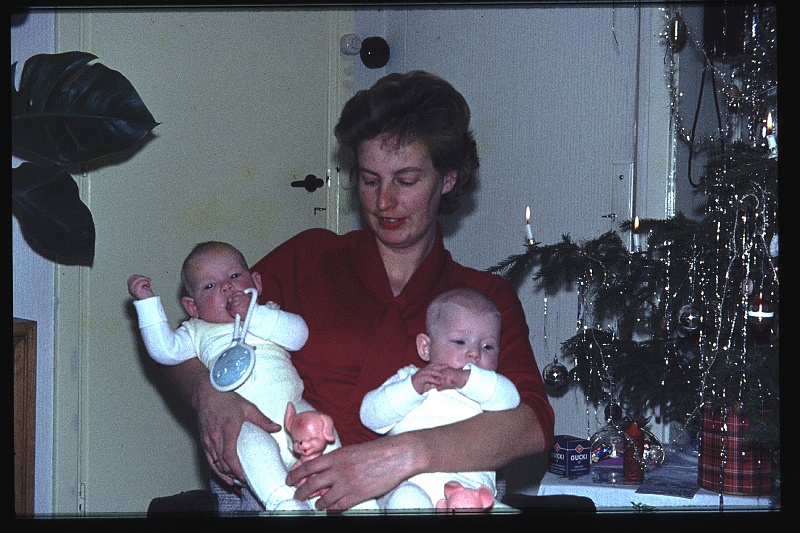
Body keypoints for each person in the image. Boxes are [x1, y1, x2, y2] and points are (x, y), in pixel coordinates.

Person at [160, 70, 555, 512]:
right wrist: (207, 395)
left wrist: (402, 456)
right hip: (292, 493)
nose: (384, 202)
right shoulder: (309, 256)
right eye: (369, 180)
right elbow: (191, 338)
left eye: (406, 181)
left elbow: (532, 424)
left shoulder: (482, 299)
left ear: (447, 179)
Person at [128, 241, 356, 512]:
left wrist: (254, 315)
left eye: (235, 276)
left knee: (318, 427)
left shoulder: (268, 315)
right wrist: (148, 305)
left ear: (256, 283)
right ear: (192, 307)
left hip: (292, 411)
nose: (226, 287)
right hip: (244, 421)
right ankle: (283, 502)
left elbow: (298, 336)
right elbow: (164, 351)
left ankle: (347, 496)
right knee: (249, 444)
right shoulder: (196, 332)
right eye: (209, 286)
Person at [360, 287, 520, 510]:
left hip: (472, 495)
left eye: (488, 346)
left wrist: (468, 380)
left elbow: (511, 400)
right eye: (460, 342)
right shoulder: (409, 379)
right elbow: (370, 416)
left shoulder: (487, 391)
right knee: (406, 501)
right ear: (426, 348)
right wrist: (412, 389)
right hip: (412, 485)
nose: (475, 353)